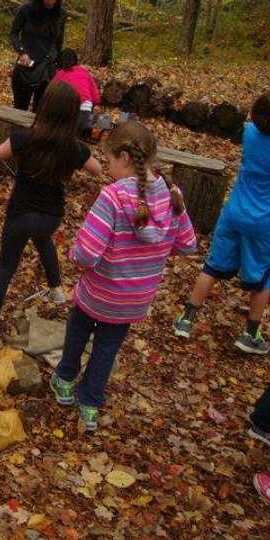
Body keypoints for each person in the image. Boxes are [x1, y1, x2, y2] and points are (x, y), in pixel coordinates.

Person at [50, 121, 197, 431]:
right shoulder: (172, 193)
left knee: (78, 330)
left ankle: (64, 380)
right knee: (107, 347)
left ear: (125, 158)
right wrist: (150, 255)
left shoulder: (113, 197)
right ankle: (89, 403)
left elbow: (87, 253)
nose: (108, 166)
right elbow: (187, 244)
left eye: (110, 160)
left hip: (98, 293)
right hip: (134, 300)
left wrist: (73, 254)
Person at [0, 81, 102, 333]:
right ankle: (56, 289)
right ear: (72, 116)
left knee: (5, 265)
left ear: (43, 107)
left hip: (20, 215)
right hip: (50, 216)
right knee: (43, 239)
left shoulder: (24, 138)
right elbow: (97, 169)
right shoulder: (74, 147)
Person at [173, 95, 270, 355]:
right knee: (263, 278)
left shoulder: (249, 134)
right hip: (263, 221)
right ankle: (251, 334)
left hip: (234, 212)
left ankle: (186, 318)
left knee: (213, 267)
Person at [10, 0, 67, 112]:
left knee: (40, 112)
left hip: (48, 67)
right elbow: (14, 33)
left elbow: (59, 41)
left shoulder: (62, 13)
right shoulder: (26, 9)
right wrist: (22, 52)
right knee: (19, 110)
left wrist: (59, 63)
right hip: (26, 65)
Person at [51, 48, 99, 136]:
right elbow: (95, 98)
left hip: (65, 112)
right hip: (84, 111)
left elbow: (51, 93)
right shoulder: (84, 72)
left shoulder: (60, 73)